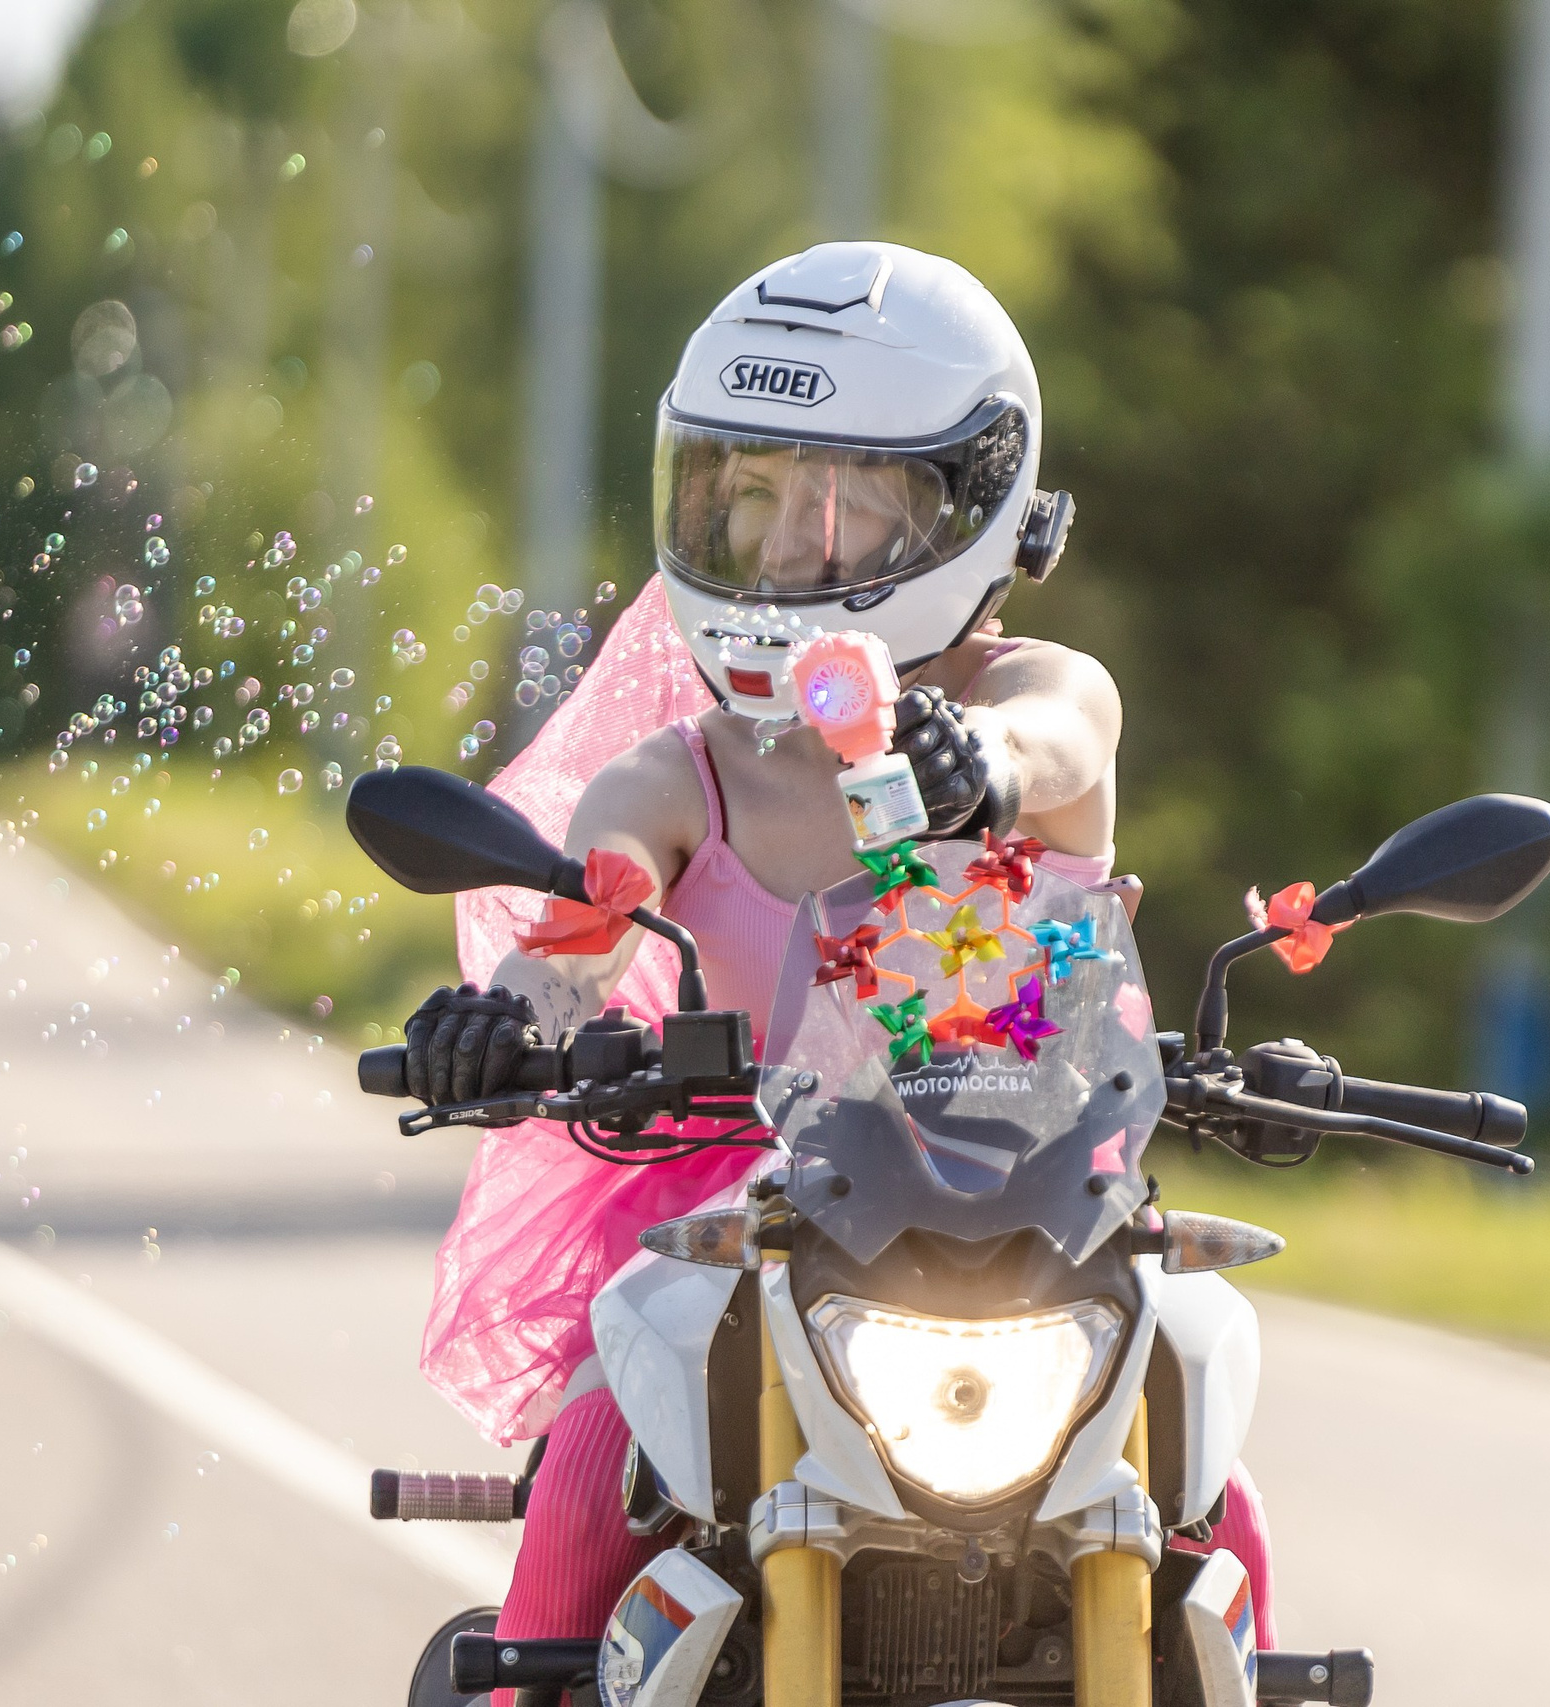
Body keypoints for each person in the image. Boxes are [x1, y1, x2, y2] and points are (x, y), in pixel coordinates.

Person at [395, 244, 1276, 1689]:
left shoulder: (1035, 703)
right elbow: (589, 918)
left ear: (979, 513)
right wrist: (505, 1020)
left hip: (1035, 1199)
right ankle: (531, 1677)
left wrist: (973, 763)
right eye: (753, 498)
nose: (798, 549)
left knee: (1204, 1455)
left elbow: (1056, 745)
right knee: (602, 1432)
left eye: (856, 506)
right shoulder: (675, 775)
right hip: (758, 1211)